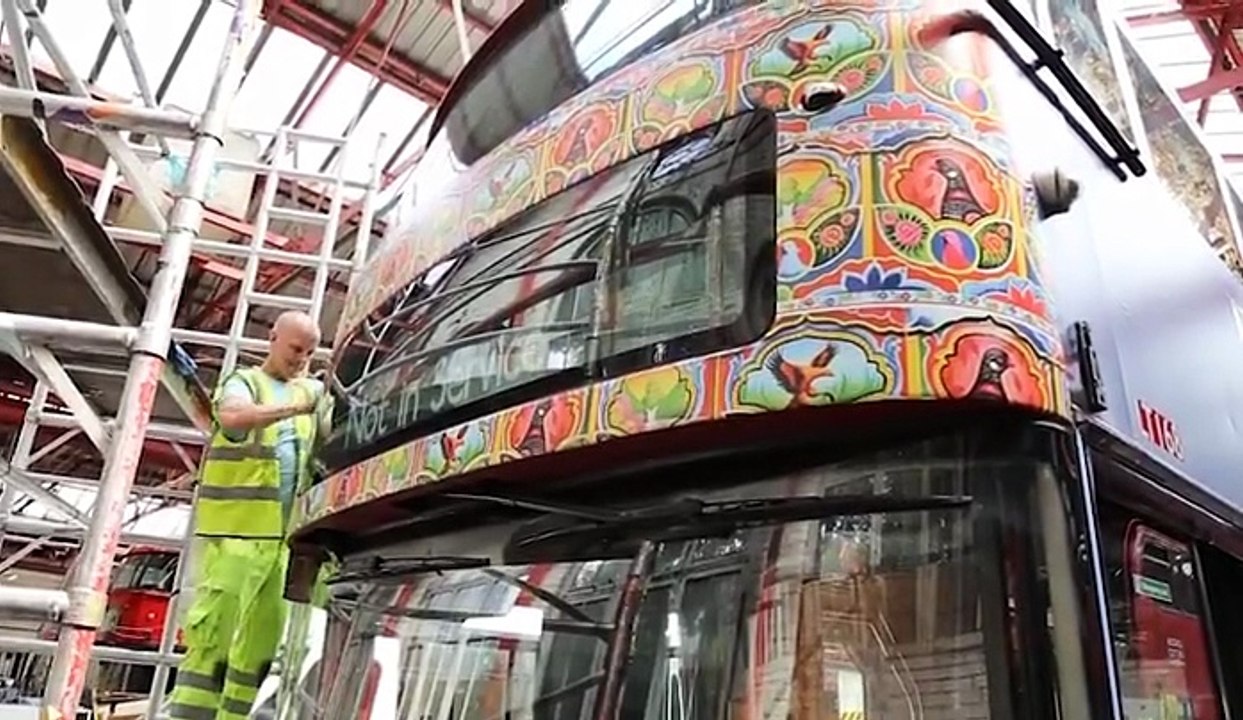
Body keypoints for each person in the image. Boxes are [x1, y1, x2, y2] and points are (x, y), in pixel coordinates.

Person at [168, 311, 326, 720]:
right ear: (273, 338)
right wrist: (295, 407)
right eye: (295, 349)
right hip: (235, 537)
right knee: (214, 639)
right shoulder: (245, 383)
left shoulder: (312, 391)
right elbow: (233, 418)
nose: (301, 359)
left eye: (309, 352)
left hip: (284, 544)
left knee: (262, 646)